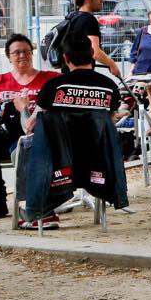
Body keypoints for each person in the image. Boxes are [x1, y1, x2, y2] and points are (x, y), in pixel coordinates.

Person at [22, 34, 126, 229]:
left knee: (26, 147)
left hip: (58, 164)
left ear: (66, 58)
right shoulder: (110, 86)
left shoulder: (53, 86)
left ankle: (39, 210)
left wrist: (23, 109)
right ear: (93, 55)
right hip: (98, 161)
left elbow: (34, 124)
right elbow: (109, 120)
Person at [0, 34, 57, 220]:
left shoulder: (49, 78)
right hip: (1, 132)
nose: (22, 56)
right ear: (8, 56)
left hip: (33, 132)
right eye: (16, 52)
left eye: (26, 51)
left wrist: (25, 107)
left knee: (22, 152)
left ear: (32, 53)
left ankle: (32, 202)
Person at [59, 0, 121, 79]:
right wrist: (112, 65)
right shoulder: (88, 19)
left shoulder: (72, 17)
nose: (102, 0)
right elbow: (95, 52)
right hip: (82, 77)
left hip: (68, 74)